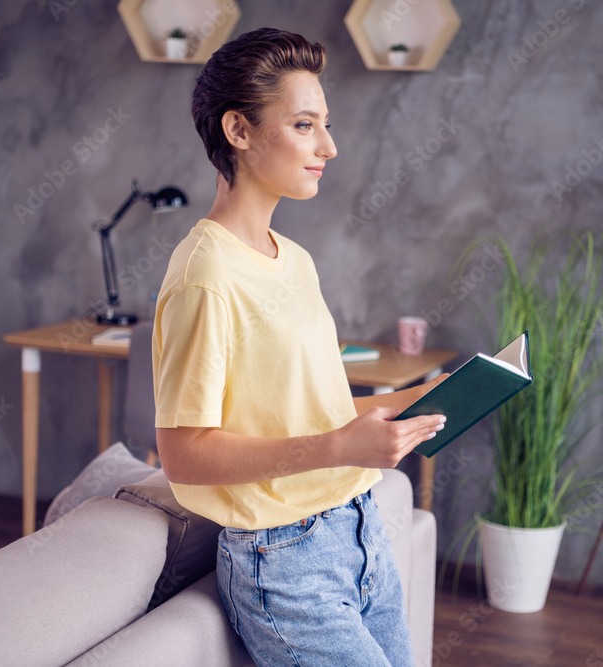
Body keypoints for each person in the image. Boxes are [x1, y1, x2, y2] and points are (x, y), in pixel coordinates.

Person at [152, 27, 446, 666]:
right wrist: (339, 447)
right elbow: (182, 454)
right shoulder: (205, 275)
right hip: (282, 561)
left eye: (325, 124)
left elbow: (321, 410)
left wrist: (438, 395)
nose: (329, 147)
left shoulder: (296, 260)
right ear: (239, 130)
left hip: (359, 531)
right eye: (306, 125)